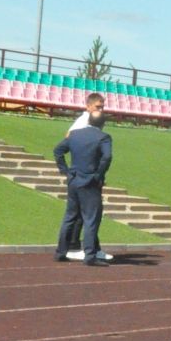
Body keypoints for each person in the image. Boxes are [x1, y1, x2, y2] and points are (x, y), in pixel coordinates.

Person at [53, 93, 113, 266]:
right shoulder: (103, 137)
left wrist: (66, 171)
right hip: (90, 181)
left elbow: (58, 151)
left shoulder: (75, 134)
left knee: (69, 216)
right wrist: (99, 174)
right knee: (91, 219)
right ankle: (90, 255)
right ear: (102, 123)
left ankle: (60, 251)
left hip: (74, 179)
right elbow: (107, 157)